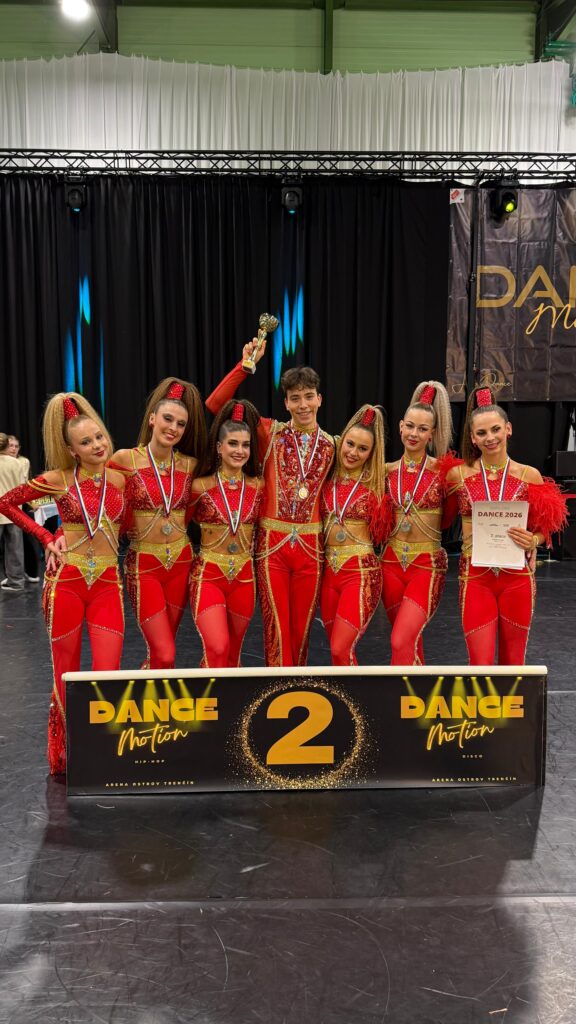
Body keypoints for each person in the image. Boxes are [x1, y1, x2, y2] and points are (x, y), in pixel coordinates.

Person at [0, 394, 126, 774]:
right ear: (72, 450)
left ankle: (100, 751)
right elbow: (7, 502)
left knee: (107, 673)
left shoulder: (120, 479)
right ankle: (66, 754)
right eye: (86, 442)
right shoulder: (58, 479)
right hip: (67, 582)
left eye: (99, 437)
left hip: (107, 583)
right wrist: (45, 536)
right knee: (65, 673)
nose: (97, 446)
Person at [206, 340, 335, 666]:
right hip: (271, 546)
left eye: (309, 396)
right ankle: (277, 688)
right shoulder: (269, 432)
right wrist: (245, 366)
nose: (303, 404)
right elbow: (215, 404)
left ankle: (296, 687)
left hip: (311, 547)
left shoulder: (334, 445)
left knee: (302, 630)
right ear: (286, 403)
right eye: (295, 398)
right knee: (276, 627)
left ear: (319, 399)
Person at [446, 385, 567, 665]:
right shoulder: (457, 476)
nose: (490, 438)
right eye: (481, 433)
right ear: (472, 438)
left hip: (517, 578)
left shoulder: (529, 475)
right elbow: (440, 517)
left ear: (508, 429)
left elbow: (545, 526)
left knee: (514, 663)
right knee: (480, 664)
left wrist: (534, 541)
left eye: (495, 429)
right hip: (475, 578)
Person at [108, 378, 206, 669]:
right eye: (167, 419)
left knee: (164, 650)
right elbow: (93, 495)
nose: (173, 428)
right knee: (164, 653)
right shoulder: (125, 459)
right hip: (144, 566)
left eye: (180, 424)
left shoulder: (190, 465)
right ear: (152, 419)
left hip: (181, 562)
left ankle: (156, 695)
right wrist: (59, 534)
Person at [381, 381, 457, 665]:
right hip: (390, 564)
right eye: (410, 426)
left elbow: (452, 516)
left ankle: (397, 693)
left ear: (432, 433)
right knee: (408, 641)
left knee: (400, 640)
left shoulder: (445, 472)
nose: (414, 434)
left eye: (422, 429)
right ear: (401, 427)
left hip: (426, 565)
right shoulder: (385, 471)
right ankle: (412, 691)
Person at [189, 400, 264, 667]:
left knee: (233, 655)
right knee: (218, 647)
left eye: (245, 445)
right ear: (219, 447)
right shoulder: (200, 486)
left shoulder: (259, 486)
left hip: (244, 578)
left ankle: (224, 696)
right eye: (233, 444)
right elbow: (179, 523)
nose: (240, 451)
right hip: (209, 575)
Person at [320, 405, 390, 665]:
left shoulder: (378, 481)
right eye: (350, 444)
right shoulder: (324, 478)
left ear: (371, 453)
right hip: (328, 573)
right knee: (337, 653)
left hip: (360, 573)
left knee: (340, 648)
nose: (353, 452)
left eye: (362, 449)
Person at [7, 434, 40, 582]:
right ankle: (11, 575)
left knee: (26, 538)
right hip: (6, 503)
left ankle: (31, 572)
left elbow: (26, 484)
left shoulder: (23, 461)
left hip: (21, 503)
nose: (13, 449)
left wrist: (32, 502)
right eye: (10, 446)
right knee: (10, 542)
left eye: (16, 446)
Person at [0, 433, 26, 592]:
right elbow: (23, 488)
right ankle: (16, 582)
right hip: (14, 511)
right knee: (15, 549)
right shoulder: (17, 463)